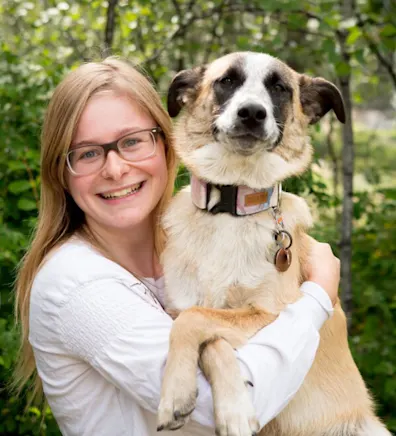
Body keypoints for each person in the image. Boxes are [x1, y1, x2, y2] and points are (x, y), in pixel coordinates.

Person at [14, 58, 340, 436]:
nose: (116, 169)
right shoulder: (76, 284)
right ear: (61, 170)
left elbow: (220, 330)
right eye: (88, 153)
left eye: (132, 141)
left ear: (162, 141)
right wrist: (318, 297)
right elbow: (219, 406)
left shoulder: (179, 243)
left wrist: (208, 338)